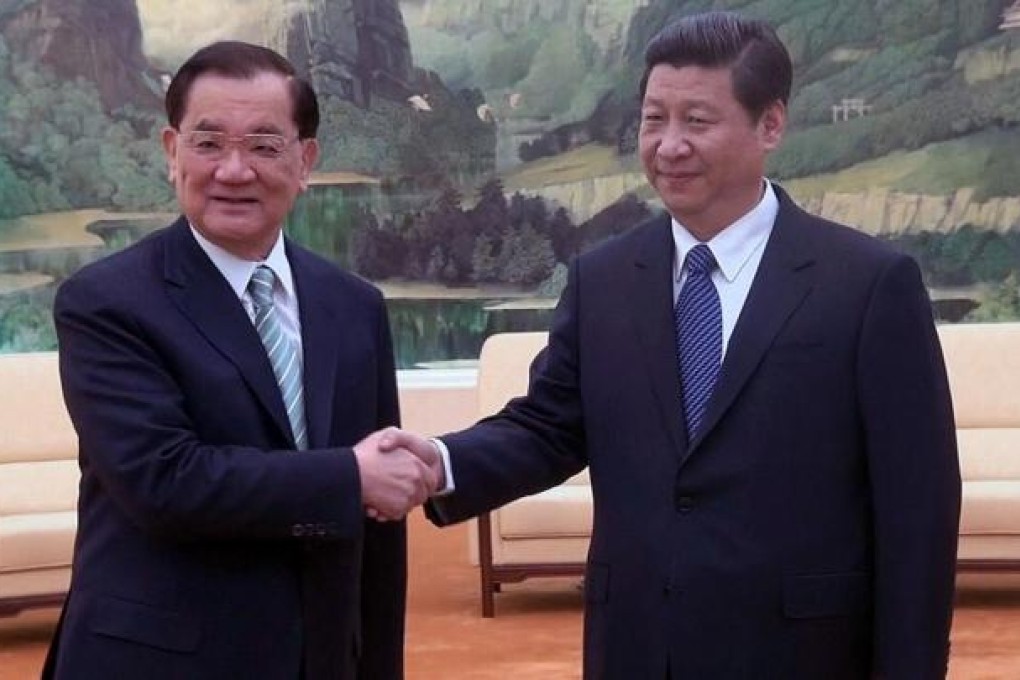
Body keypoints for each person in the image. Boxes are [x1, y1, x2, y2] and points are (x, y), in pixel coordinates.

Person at [378, 11, 961, 679]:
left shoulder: (867, 284)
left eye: (698, 121)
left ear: (770, 124)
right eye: (655, 120)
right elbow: (548, 428)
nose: (669, 144)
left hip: (804, 652)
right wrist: (440, 460)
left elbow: (919, 506)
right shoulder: (603, 279)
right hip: (638, 647)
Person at [42, 41, 435, 680]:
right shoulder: (106, 303)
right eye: (208, 143)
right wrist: (348, 478)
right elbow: (164, 481)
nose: (233, 169)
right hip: (160, 661)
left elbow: (377, 531)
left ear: (304, 160)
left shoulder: (353, 305)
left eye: (263, 145)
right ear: (172, 152)